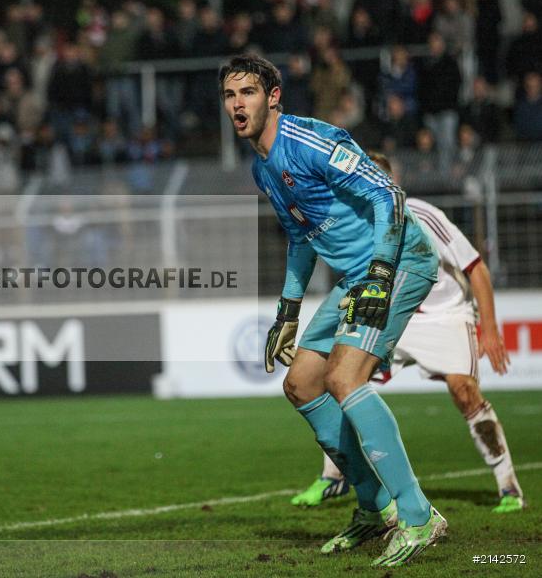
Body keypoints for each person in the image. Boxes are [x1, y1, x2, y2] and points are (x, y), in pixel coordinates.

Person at [220, 54, 445, 568]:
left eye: (248, 93)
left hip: (399, 260)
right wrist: (287, 310)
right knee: (300, 383)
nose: (237, 104)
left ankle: (418, 516)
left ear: (273, 96)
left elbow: (388, 191)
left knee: (345, 377)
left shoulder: (310, 141)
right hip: (356, 278)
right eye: (230, 96)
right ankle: (374, 508)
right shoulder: (263, 166)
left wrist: (383, 272)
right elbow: (303, 238)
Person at [291, 152, 525, 514]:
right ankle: (333, 476)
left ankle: (508, 486)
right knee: (341, 381)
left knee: (464, 391)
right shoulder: (353, 222)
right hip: (395, 316)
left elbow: (475, 267)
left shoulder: (423, 213)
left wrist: (489, 328)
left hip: (445, 315)